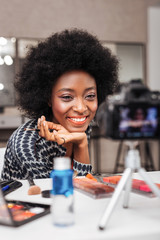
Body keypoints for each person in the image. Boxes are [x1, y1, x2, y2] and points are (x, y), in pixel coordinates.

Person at [1, 29, 119, 180]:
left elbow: (85, 188)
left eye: (90, 96)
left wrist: (81, 142)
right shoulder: (28, 145)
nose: (81, 108)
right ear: (48, 98)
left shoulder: (79, 125)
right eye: (67, 97)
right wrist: (79, 142)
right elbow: (54, 193)